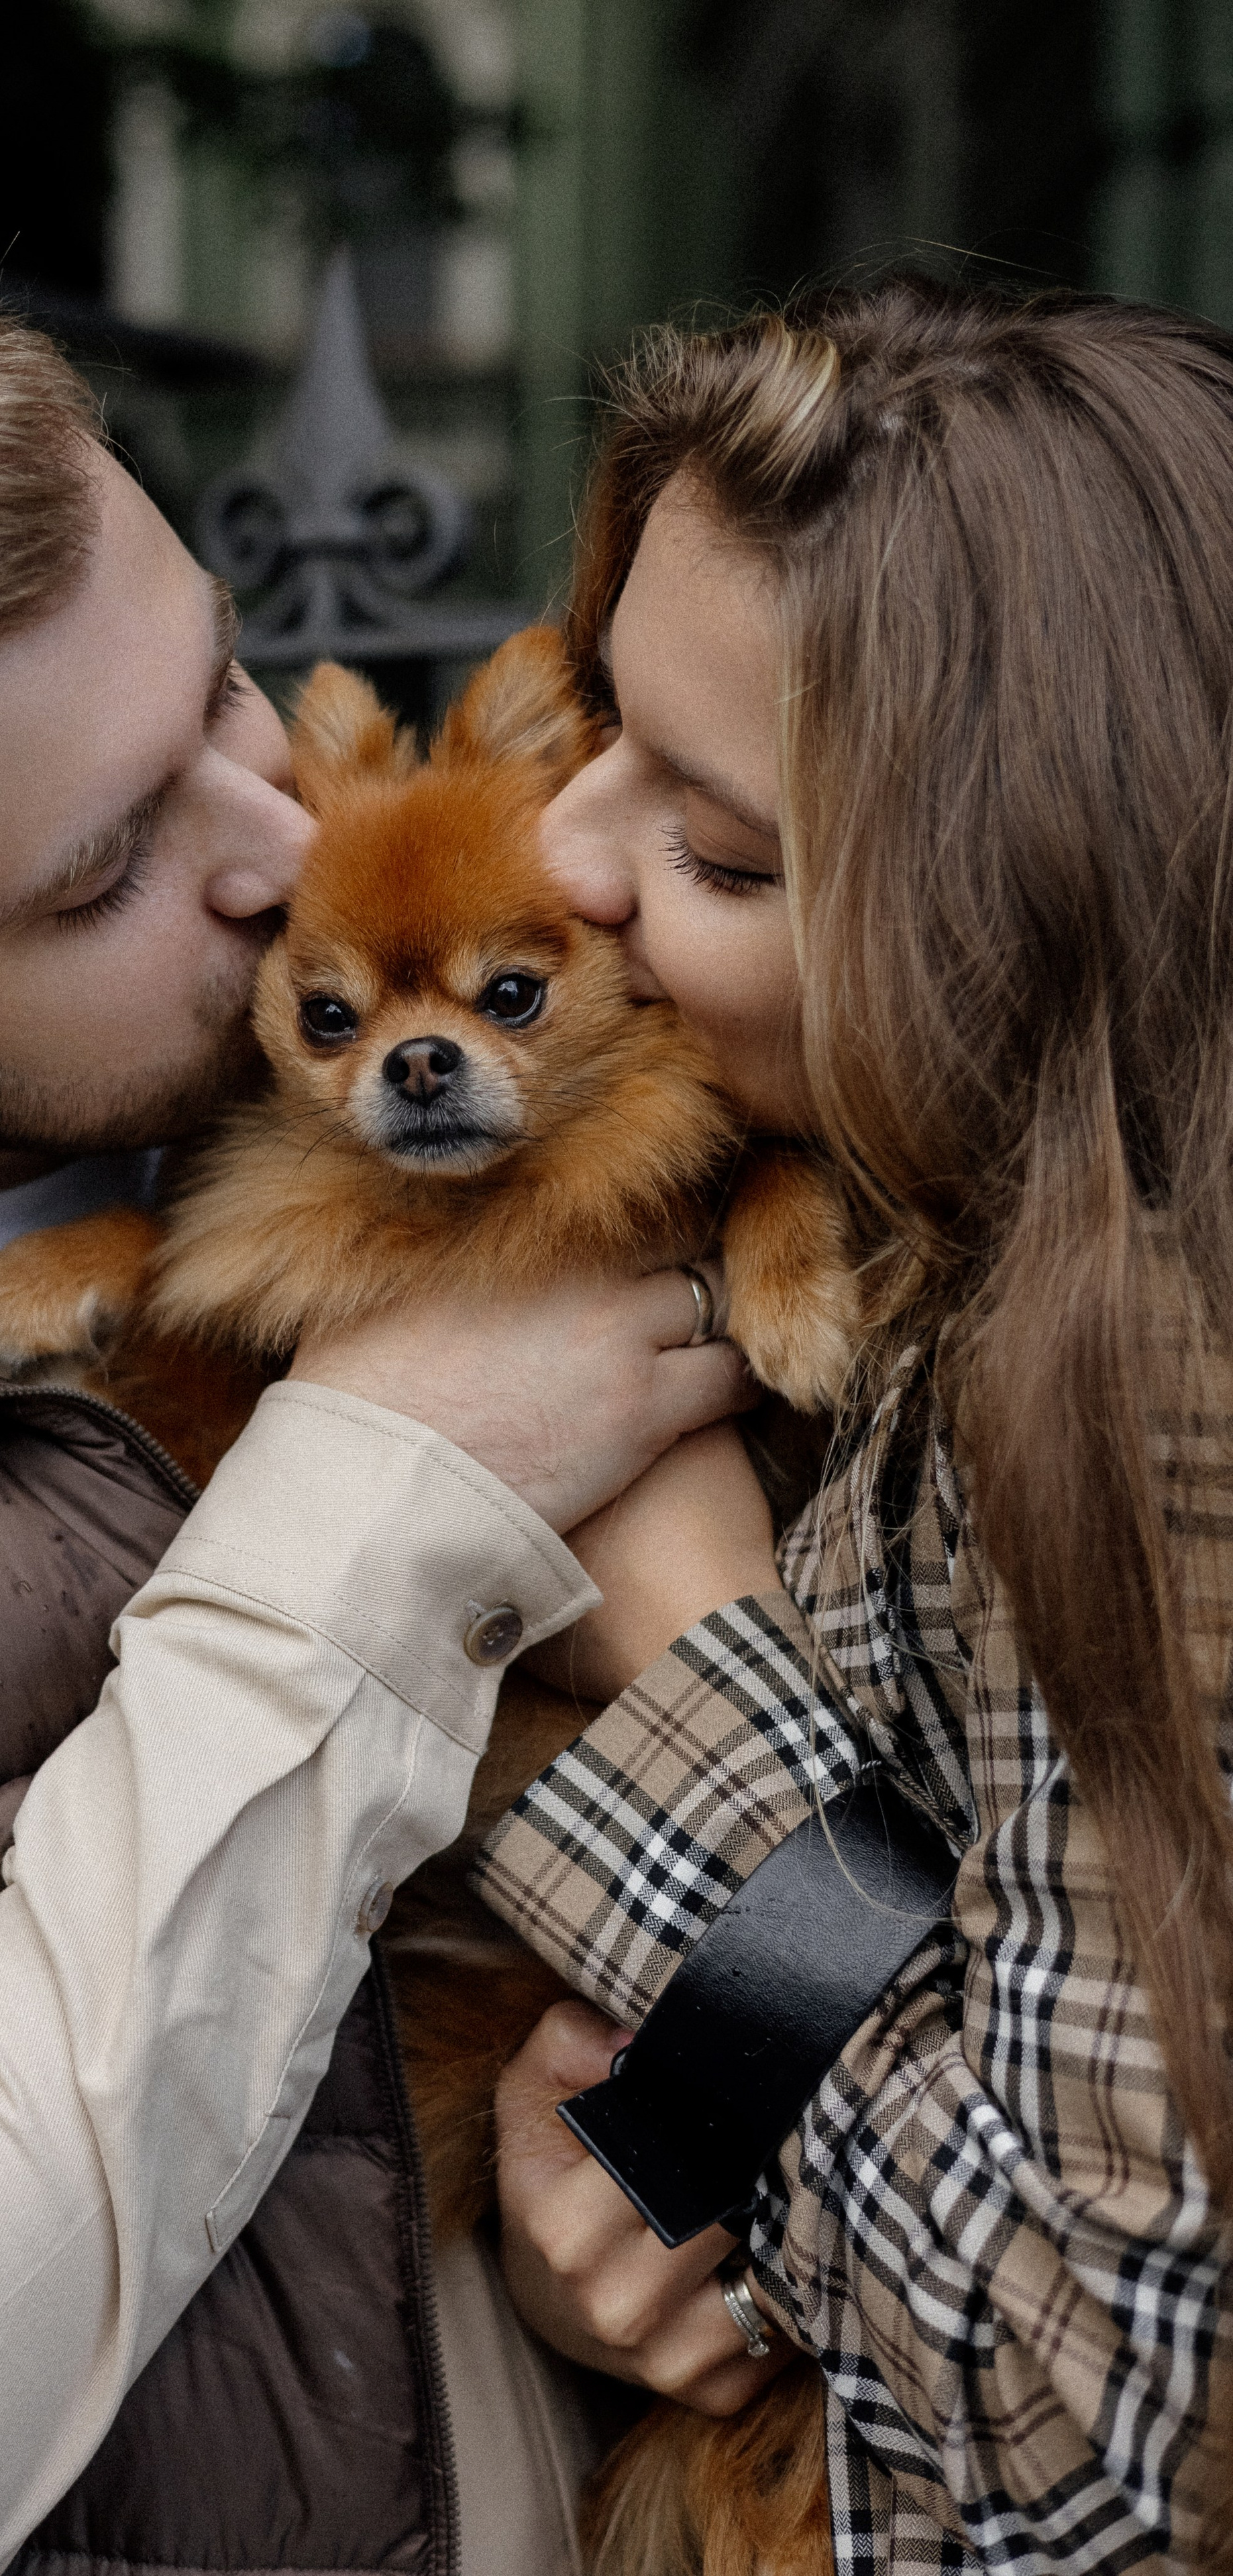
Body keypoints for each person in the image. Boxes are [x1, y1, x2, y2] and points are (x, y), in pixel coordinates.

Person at [0, 249, 753, 2576]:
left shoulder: (550, 992)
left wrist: (635, 2205)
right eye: (106, 869)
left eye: (223, 695)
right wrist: (391, 1492)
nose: (278, 849)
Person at [406, 273, 1233, 2575]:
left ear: (1024, 922)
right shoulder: (910, 1204)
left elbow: (1131, 2443)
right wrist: (680, 2167)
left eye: (725, 851)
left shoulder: (1169, 1377)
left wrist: (686, 1636)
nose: (567, 854)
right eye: (599, 724)